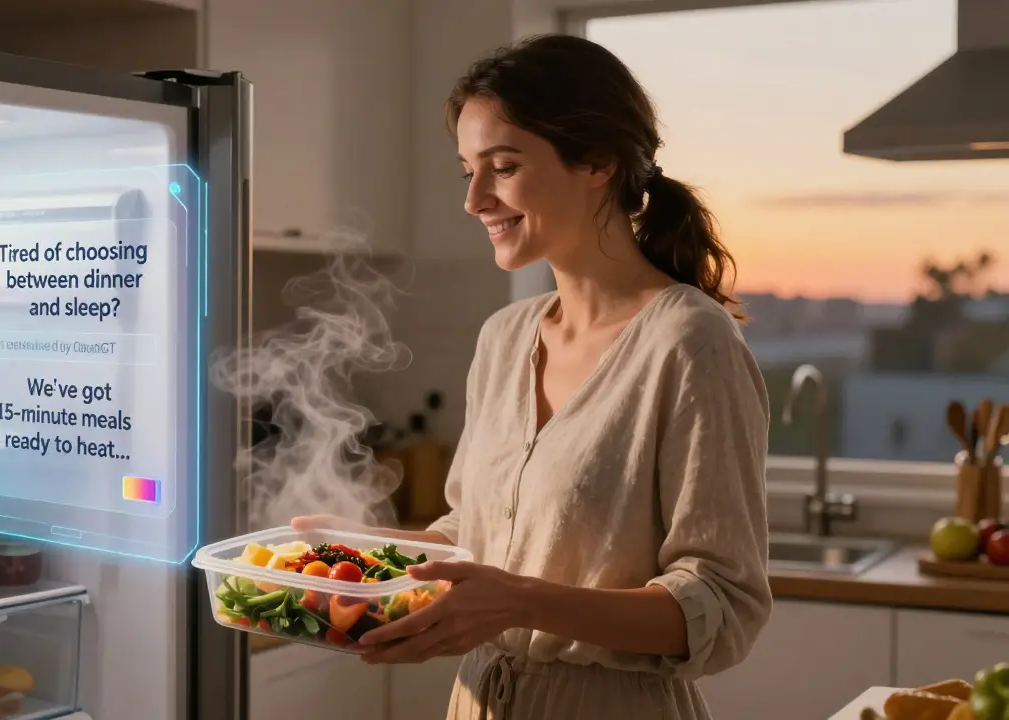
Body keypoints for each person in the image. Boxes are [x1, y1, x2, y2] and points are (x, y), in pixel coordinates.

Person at [292, 33, 772, 719]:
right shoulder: (505, 337)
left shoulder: (690, 343)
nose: (475, 199)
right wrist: (370, 553)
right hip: (479, 700)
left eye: (504, 166)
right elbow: (481, 538)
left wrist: (518, 602)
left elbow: (722, 606)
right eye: (468, 171)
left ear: (598, 162)